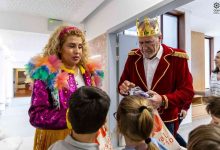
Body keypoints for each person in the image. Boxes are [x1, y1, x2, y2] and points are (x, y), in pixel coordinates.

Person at [25, 25, 108, 150]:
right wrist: (71, 117)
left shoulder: (88, 71)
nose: (77, 51)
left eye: (80, 47)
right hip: (59, 138)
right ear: (59, 48)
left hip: (89, 137)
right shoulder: (46, 74)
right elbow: (36, 116)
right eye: (71, 46)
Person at [118, 17, 194, 147]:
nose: (144, 48)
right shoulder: (133, 57)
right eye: (140, 43)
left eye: (149, 42)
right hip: (138, 118)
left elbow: (187, 92)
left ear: (160, 37)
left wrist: (163, 100)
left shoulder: (177, 57)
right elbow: (121, 84)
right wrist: (124, 88)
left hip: (166, 119)